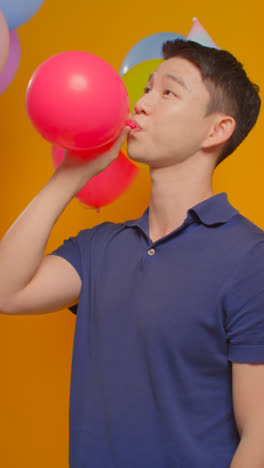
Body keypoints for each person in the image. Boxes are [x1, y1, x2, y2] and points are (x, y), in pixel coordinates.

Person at [0, 39, 263, 468]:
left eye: (167, 92)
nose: (140, 104)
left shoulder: (251, 258)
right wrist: (70, 174)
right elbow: (5, 292)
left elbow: (259, 436)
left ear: (217, 130)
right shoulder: (98, 246)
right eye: (145, 89)